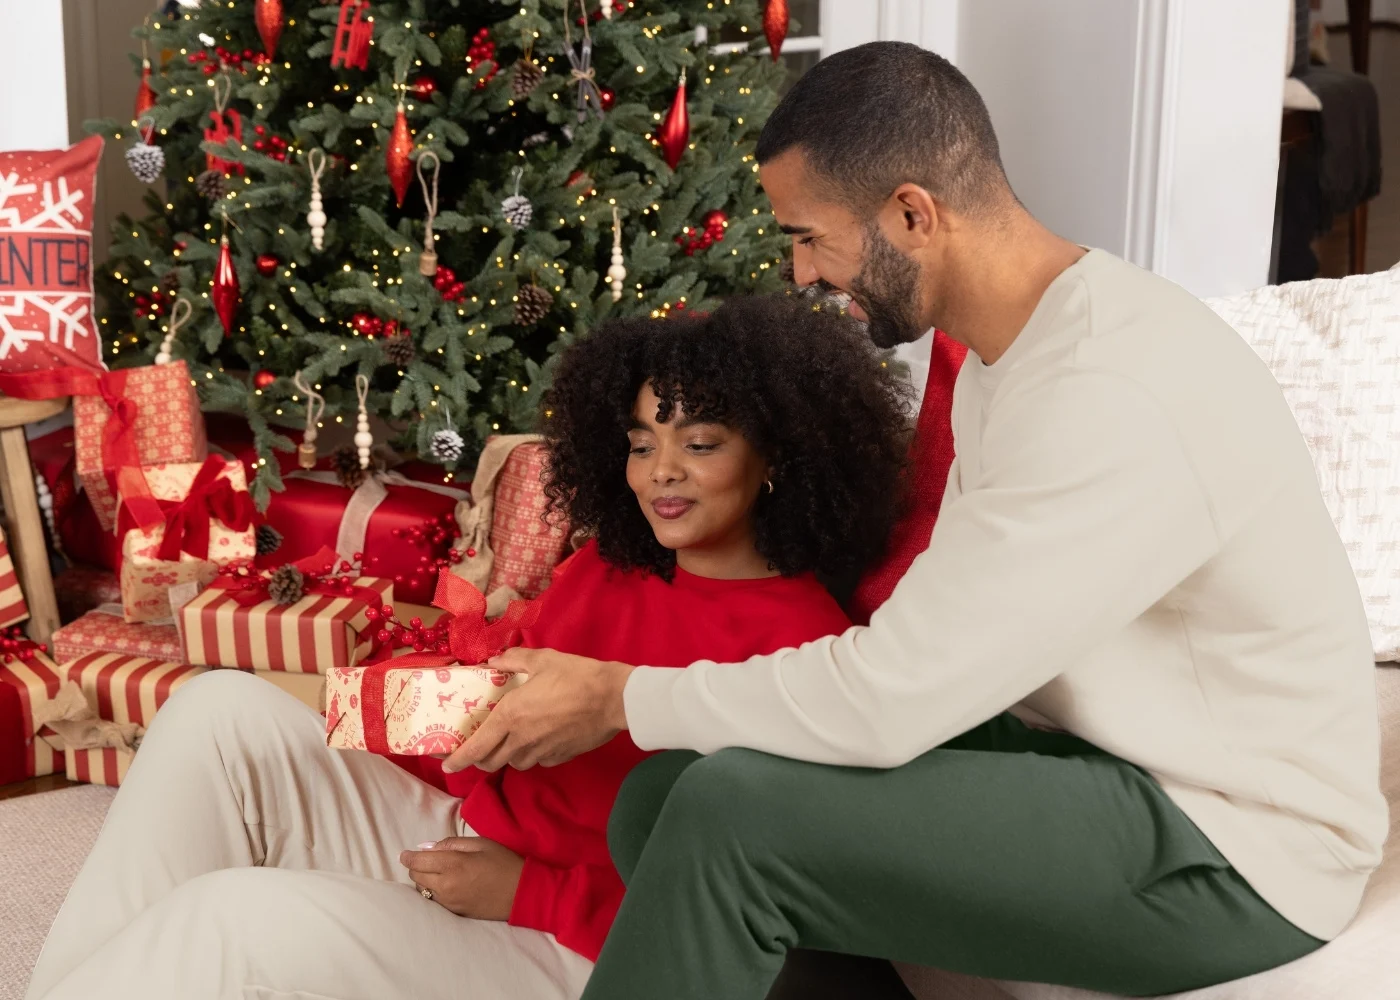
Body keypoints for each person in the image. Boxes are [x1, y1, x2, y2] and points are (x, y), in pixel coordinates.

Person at [449, 41, 1390, 1000]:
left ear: (912, 213)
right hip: (1114, 766)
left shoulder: (1110, 390)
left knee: (730, 809)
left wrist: (617, 697)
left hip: (1237, 846)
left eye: (812, 236)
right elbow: (937, 645)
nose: (803, 273)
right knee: (665, 792)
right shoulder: (1013, 352)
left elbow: (890, 698)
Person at [24, 294, 910, 1000]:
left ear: (777, 459)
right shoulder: (612, 562)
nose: (661, 471)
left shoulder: (804, 647)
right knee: (215, 709)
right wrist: (370, 716)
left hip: (584, 946)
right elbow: (484, 712)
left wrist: (529, 894)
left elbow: (751, 916)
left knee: (234, 921)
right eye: (642, 444)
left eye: (701, 443)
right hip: (469, 840)